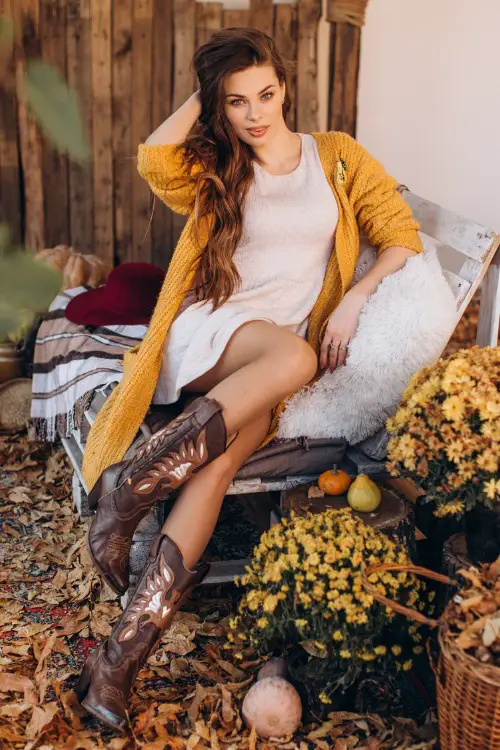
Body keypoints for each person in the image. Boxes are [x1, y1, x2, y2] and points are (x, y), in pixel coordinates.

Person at [76, 27, 423, 731]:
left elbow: (402, 234)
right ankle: (128, 484)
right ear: (221, 107)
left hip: (268, 359)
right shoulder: (217, 163)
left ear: (286, 87)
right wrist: (204, 96)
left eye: (264, 93)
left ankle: (118, 660)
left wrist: (355, 297)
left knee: (219, 465)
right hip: (211, 333)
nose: (255, 112)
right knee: (296, 360)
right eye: (236, 101)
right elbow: (152, 160)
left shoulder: (340, 158)